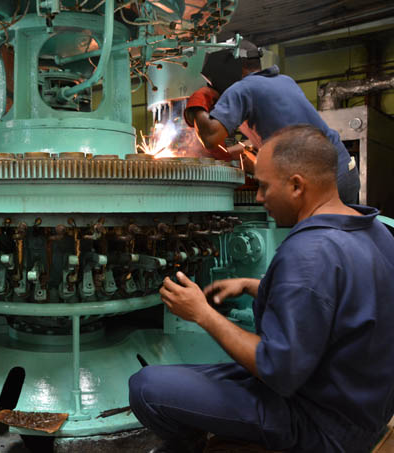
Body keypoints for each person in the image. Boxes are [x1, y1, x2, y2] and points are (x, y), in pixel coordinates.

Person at [129, 125, 394, 453]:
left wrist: (201, 314)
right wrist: (255, 285)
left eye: (264, 187)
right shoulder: (376, 231)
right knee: (197, 378)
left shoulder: (307, 252)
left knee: (146, 387)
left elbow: (278, 371)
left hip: (320, 424)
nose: (258, 197)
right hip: (363, 411)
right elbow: (339, 300)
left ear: (297, 186)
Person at [183, 40, 360, 204]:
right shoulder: (284, 81)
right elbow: (280, 132)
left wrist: (198, 103)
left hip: (320, 181)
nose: (213, 88)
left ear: (226, 70)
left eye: (211, 83)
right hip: (344, 173)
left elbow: (210, 137)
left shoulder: (242, 89)